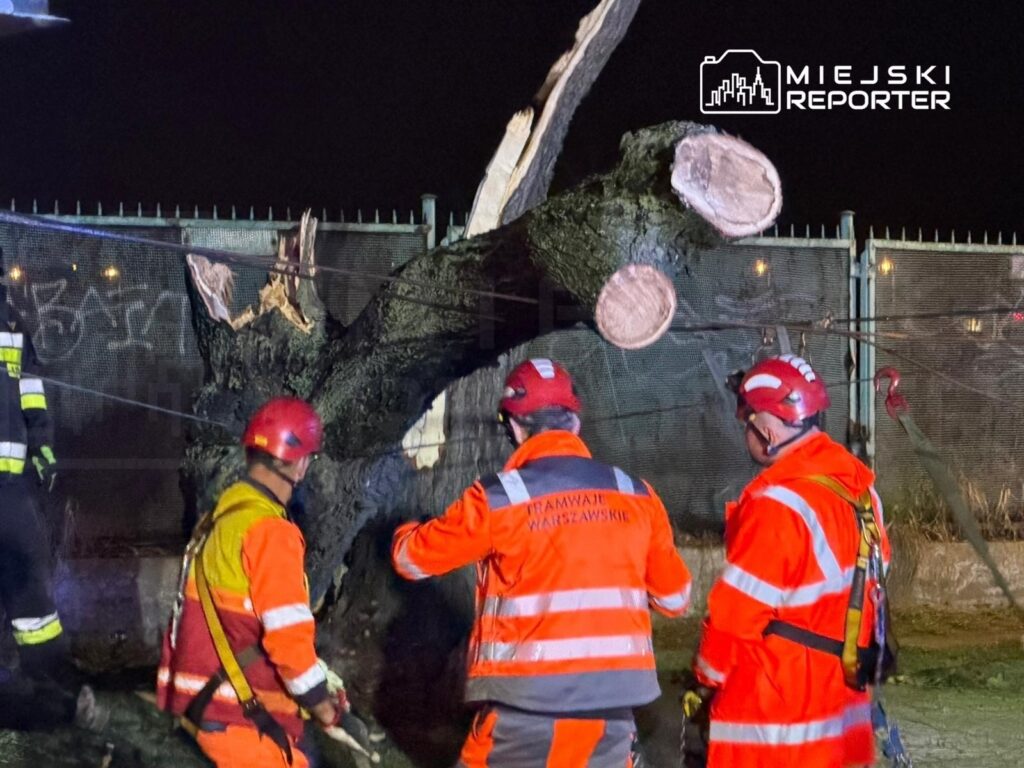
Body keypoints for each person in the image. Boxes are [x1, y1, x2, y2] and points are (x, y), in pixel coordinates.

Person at [392, 358, 692, 768]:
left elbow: (412, 561)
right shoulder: (637, 495)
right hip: (612, 715)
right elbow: (676, 600)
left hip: (525, 713)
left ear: (515, 426)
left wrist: (405, 526)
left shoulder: (500, 499)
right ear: (575, 423)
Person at [690, 354, 893, 767]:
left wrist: (705, 679)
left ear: (767, 429)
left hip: (775, 723)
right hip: (842, 716)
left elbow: (735, 617)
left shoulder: (777, 505)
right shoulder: (862, 494)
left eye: (747, 423)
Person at [157, 396, 344, 768]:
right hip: (245, 726)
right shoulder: (271, 533)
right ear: (301, 464)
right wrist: (326, 709)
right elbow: (288, 642)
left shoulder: (217, 520)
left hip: (197, 714)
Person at [0, 255, 103, 730]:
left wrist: (41, 443)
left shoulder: (10, 322)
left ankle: (56, 692)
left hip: (11, 485)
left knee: (31, 587)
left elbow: (31, 389)